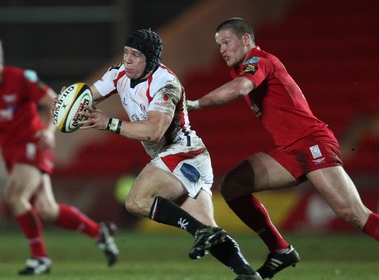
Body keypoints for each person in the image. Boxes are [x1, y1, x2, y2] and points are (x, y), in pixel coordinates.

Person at [186, 17, 379, 279]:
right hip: (289, 151)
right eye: (219, 45)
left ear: (246, 39)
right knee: (233, 185)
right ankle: (280, 250)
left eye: (227, 42)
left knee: (351, 212)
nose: (222, 49)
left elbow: (242, 88)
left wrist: (195, 104)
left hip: (312, 142)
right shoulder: (244, 67)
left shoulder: (259, 60)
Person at [70, 28, 262, 280]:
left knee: (136, 201)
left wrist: (109, 123)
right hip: (187, 157)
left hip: (182, 153)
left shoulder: (166, 84)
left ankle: (199, 232)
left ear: (150, 60)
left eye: (135, 55)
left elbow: (153, 132)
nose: (127, 59)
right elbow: (87, 95)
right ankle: (248, 275)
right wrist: (67, 101)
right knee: (209, 229)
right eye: (126, 52)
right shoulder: (119, 72)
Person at [0, 34, 119, 275]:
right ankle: (99, 232)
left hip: (35, 144)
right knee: (47, 209)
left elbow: (55, 102)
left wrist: (48, 131)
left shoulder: (20, 78)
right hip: (11, 151)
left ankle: (40, 258)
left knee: (13, 195)